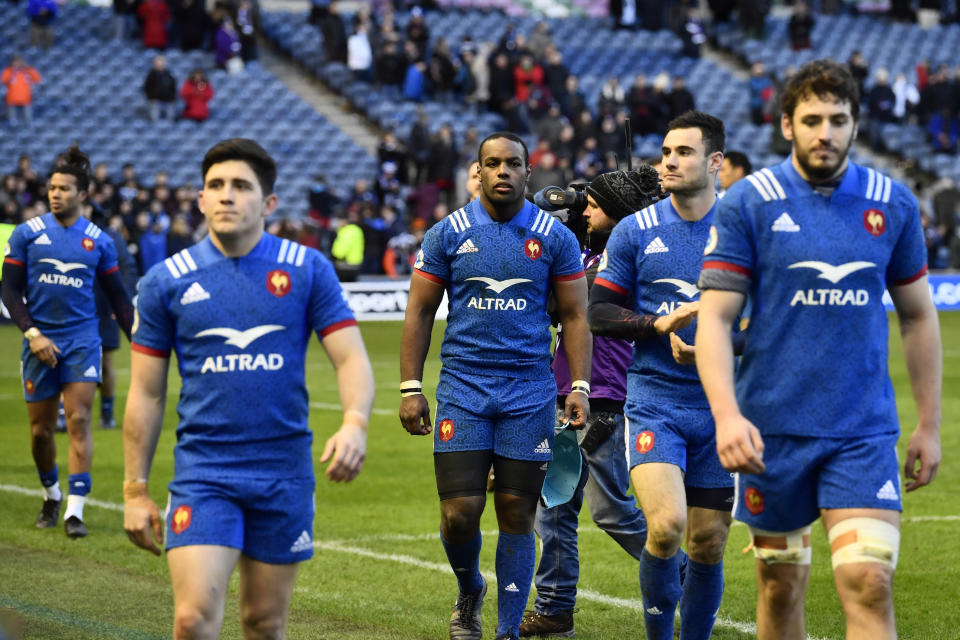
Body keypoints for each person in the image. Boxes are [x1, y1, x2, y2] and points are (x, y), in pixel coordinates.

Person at [695, 59, 942, 640]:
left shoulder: (894, 205)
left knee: (869, 582)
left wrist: (929, 424)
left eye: (837, 119)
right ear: (787, 125)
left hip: (861, 432)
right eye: (811, 119)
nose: (824, 132)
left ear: (855, 125)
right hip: (770, 437)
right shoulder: (747, 203)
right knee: (779, 589)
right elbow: (715, 318)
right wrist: (727, 416)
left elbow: (917, 315)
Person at [122, 138, 375, 640]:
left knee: (263, 622)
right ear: (200, 199)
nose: (227, 196)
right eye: (215, 186)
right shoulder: (163, 282)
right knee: (193, 620)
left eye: (241, 186)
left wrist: (355, 423)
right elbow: (146, 394)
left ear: (268, 203)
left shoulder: (307, 269)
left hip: (284, 472)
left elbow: (351, 358)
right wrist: (135, 490)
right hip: (205, 472)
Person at [400, 132, 591, 640]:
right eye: (492, 164)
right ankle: (469, 590)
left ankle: (506, 630)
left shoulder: (555, 236)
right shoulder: (447, 233)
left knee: (516, 511)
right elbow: (419, 311)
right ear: (478, 172)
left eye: (513, 163)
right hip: (463, 387)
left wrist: (578, 385)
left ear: (529, 172)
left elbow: (575, 315)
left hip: (528, 391)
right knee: (459, 514)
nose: (503, 171)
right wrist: (409, 386)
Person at [589, 111, 735, 640]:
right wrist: (655, 324)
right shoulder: (634, 230)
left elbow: (769, 326)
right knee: (668, 526)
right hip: (654, 402)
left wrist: (716, 346)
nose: (669, 161)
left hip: (721, 408)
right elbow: (598, 312)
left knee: (708, 543)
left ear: (715, 162)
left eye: (684, 152)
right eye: (665, 152)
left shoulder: (741, 229)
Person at [519, 168, 661, 638]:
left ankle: (684, 578)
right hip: (571, 389)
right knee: (555, 506)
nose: (584, 210)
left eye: (594, 205)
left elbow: (576, 300)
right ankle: (556, 607)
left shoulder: (626, 257)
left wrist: (554, 231)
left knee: (610, 511)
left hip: (603, 391)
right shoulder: (589, 251)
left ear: (618, 214)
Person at [1, 145, 134, 539]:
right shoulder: (28, 234)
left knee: (77, 420)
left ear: (83, 195)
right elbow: (8, 291)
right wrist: (33, 332)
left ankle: (75, 511)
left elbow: (119, 299)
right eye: (52, 188)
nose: (55, 194)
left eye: (64, 188)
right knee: (41, 433)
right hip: (38, 341)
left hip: (82, 340)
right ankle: (52, 493)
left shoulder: (100, 241)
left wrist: (142, 343)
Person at [2, 55, 42, 127]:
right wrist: (12, 70)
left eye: (19, 62)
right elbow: (3, 80)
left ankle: (29, 127)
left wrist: (28, 68)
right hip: (12, 98)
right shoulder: (8, 70)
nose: (18, 64)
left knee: (28, 118)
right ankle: (12, 127)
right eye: (16, 62)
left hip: (25, 98)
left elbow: (37, 79)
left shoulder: (27, 71)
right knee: (12, 118)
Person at [143, 55, 178, 122]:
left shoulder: (169, 75)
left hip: (168, 100)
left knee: (170, 118)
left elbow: (173, 87)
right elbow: (146, 87)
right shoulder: (151, 75)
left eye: (161, 62)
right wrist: (150, 98)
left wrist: (172, 98)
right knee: (154, 118)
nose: (160, 64)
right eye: (158, 62)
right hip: (155, 101)